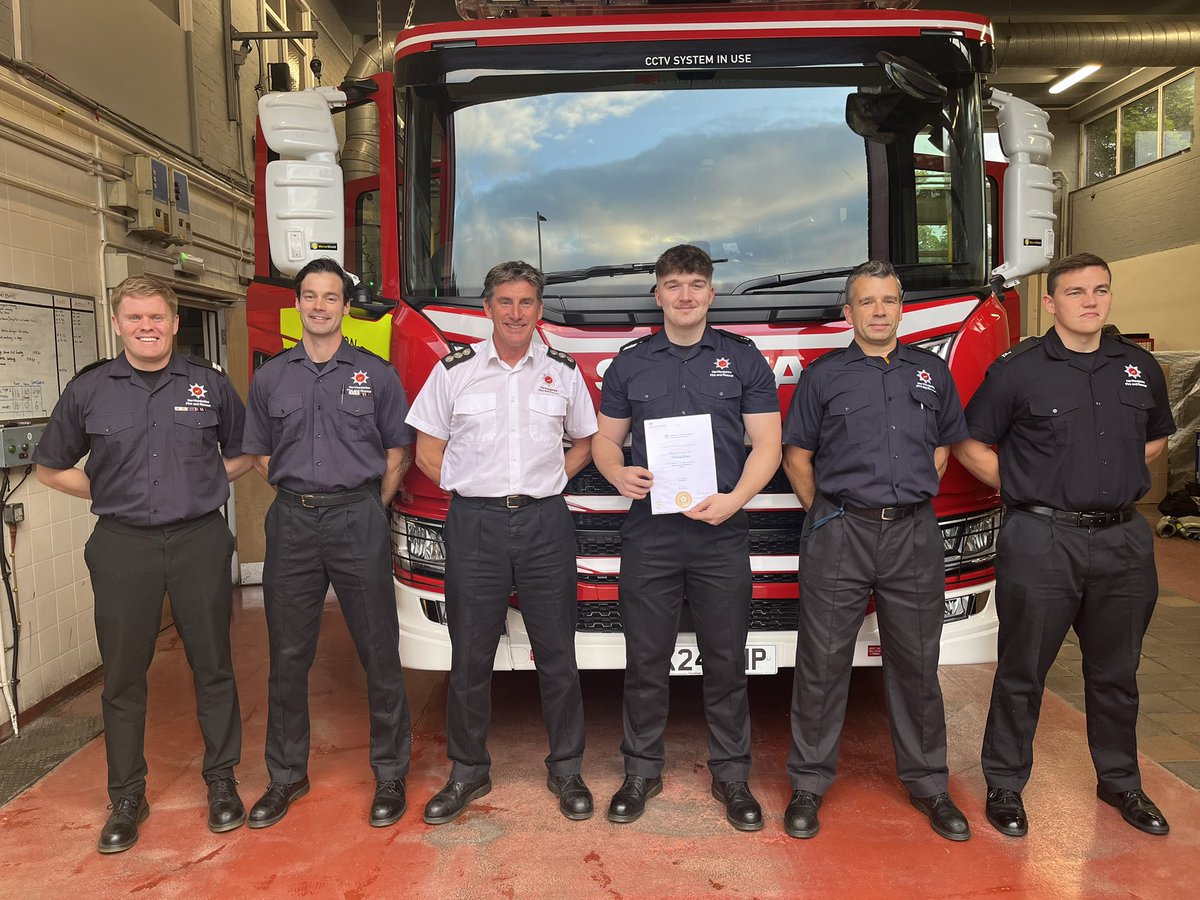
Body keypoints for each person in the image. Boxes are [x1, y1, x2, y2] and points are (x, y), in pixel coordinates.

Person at [954, 252, 1175, 838]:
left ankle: (1121, 782)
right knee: (1024, 669)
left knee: (1116, 672)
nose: (1090, 301)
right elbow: (970, 444)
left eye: (1100, 290)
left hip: (1124, 541)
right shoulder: (1017, 371)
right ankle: (1004, 783)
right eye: (1075, 292)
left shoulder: (1139, 367)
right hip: (1041, 538)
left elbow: (1154, 441)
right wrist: (1027, 488)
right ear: (1050, 303)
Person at [33, 275, 253, 854]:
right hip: (123, 544)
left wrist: (200, 485)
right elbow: (51, 467)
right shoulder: (90, 391)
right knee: (124, 676)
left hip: (199, 540)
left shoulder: (209, 384)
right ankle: (127, 796)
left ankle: (222, 781)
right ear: (118, 323)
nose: (147, 326)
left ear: (175, 323)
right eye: (135, 317)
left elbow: (245, 452)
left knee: (213, 666)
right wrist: (108, 492)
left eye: (157, 316)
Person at [781, 260, 971, 842]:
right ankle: (808, 785)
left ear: (901, 307)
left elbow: (942, 448)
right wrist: (828, 515)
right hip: (841, 529)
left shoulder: (932, 374)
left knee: (916, 664)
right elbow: (798, 457)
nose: (880, 310)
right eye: (868, 302)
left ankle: (929, 785)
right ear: (849, 312)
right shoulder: (822, 376)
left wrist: (902, 499)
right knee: (823, 662)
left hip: (913, 534)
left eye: (889, 300)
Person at [593, 244, 781, 831]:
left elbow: (768, 447)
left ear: (711, 293)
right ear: (657, 295)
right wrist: (615, 471)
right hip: (650, 533)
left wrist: (733, 501)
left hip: (720, 533)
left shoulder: (742, 361)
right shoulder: (630, 364)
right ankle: (641, 771)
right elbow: (605, 440)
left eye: (695, 284)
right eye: (673, 284)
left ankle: (731, 776)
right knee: (645, 660)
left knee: (725, 661)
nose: (684, 294)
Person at [406, 260, 598, 824]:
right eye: (505, 303)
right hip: (475, 525)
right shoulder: (455, 370)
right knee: (469, 655)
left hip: (545, 524)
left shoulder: (561, 372)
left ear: (539, 311)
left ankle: (567, 768)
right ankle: (468, 771)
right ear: (487, 308)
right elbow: (426, 449)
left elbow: (586, 441)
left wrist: (546, 481)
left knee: (558, 654)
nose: (516, 313)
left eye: (526, 303)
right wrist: (474, 487)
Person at [241, 258, 415, 829]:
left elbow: (398, 453)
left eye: (330, 297)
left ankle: (390, 774)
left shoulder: (377, 374)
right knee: (288, 656)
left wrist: (368, 507)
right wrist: (303, 494)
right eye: (309, 296)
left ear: (345, 307)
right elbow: (262, 454)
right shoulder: (270, 377)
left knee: (379, 650)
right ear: (298, 304)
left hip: (357, 518)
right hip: (291, 522)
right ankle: (286, 776)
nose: (319, 306)